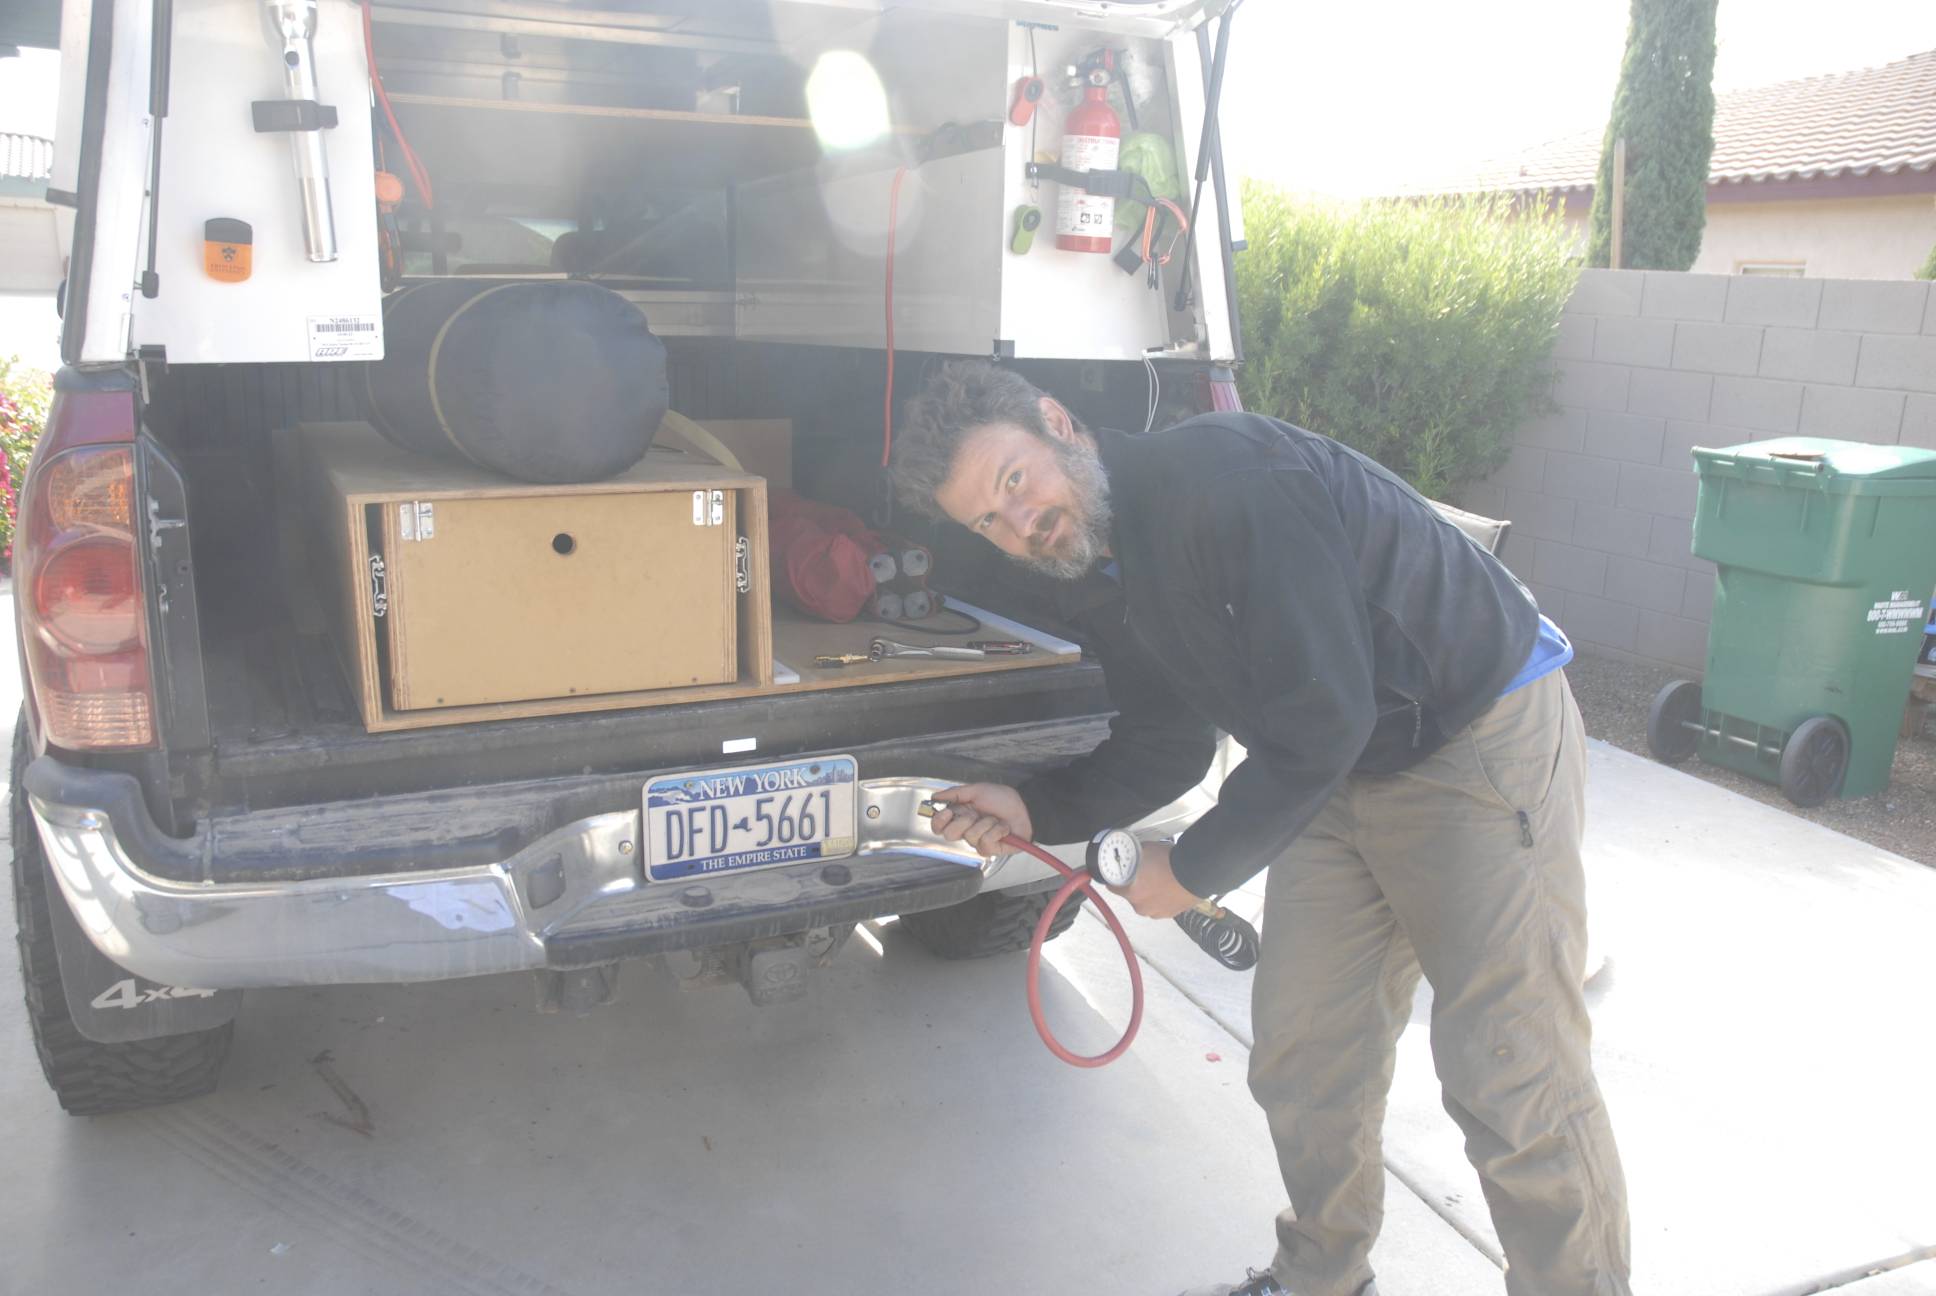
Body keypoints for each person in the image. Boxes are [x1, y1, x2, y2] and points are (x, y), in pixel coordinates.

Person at [890, 361, 1630, 1296]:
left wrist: (1193, 867)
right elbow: (1168, 737)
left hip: (1472, 735)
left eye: (1013, 480)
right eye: (987, 522)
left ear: (1058, 422)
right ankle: (1324, 1276)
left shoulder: (1228, 481)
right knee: (1306, 1052)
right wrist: (1035, 807)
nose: (1018, 523)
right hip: (1338, 762)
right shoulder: (1099, 560)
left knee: (1511, 1071)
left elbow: (1325, 718)